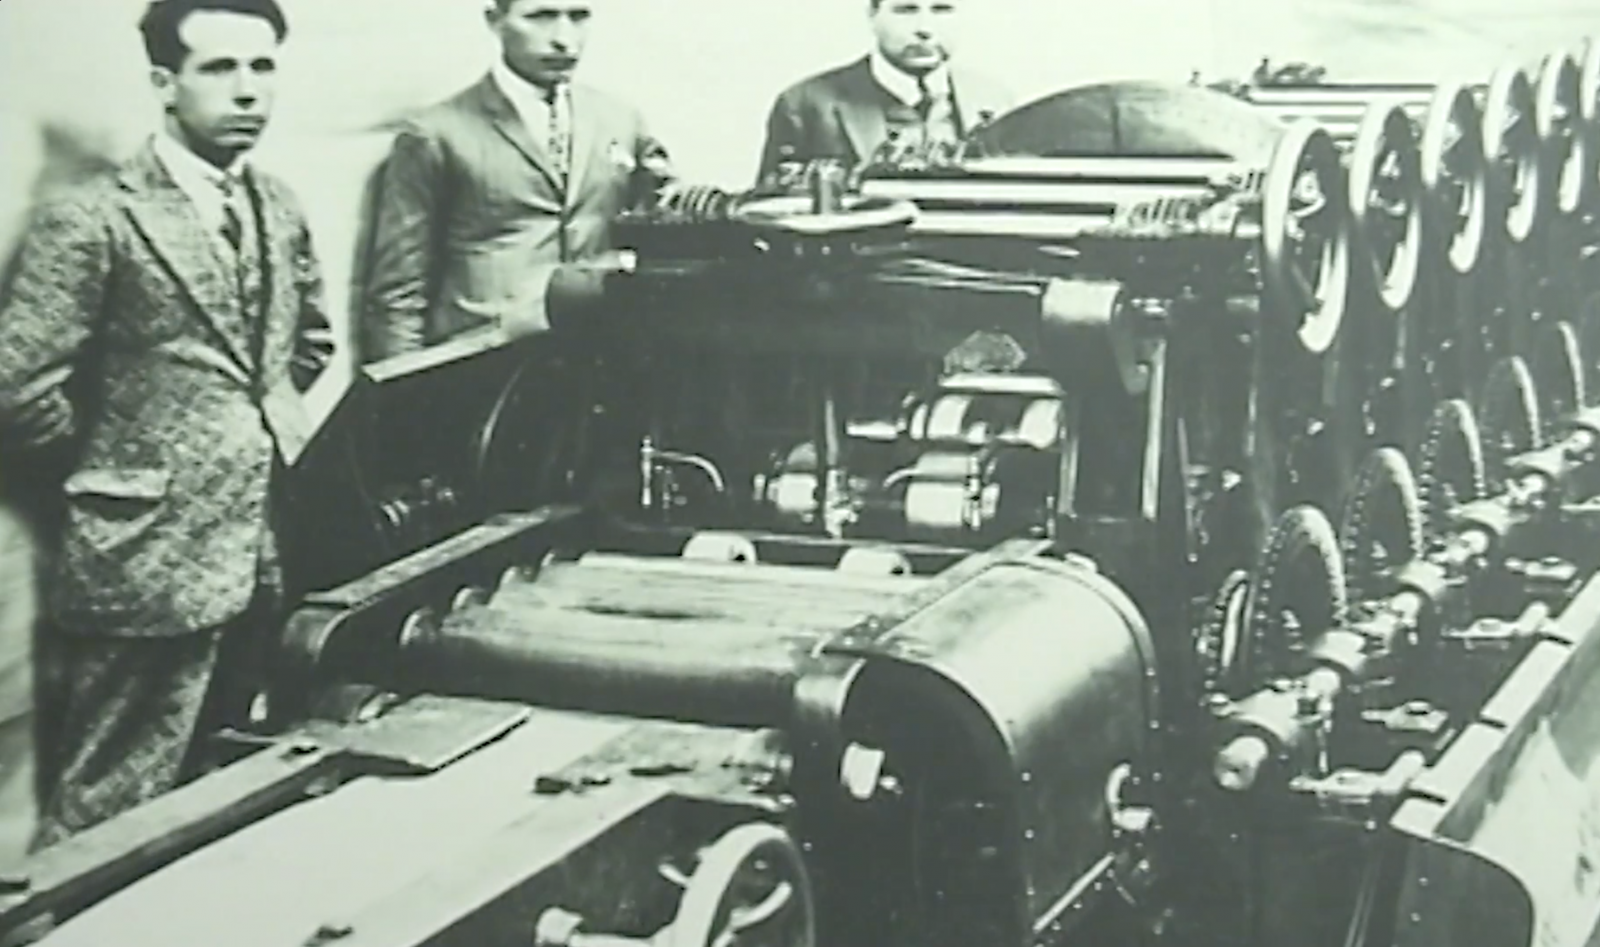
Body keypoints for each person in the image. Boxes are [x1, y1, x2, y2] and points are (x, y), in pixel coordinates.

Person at [0, 0, 335, 852]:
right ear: (164, 83)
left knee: (223, 784)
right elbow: (17, 391)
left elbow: (308, 344)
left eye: (262, 68)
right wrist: (124, 474)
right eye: (219, 68)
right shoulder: (94, 217)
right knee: (109, 803)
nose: (248, 91)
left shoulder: (277, 203)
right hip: (143, 560)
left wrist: (244, 442)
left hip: (263, 546)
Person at [361, 0, 675, 362]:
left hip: (598, 361)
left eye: (578, 16)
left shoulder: (620, 120)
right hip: (484, 362)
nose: (564, 39)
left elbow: (667, 229)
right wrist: (405, 388)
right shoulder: (435, 133)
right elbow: (398, 293)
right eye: (541, 16)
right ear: (494, 20)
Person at [755, 0, 1016, 185]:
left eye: (942, 9)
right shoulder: (806, 105)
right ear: (872, 14)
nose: (925, 28)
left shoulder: (995, 100)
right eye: (906, 10)